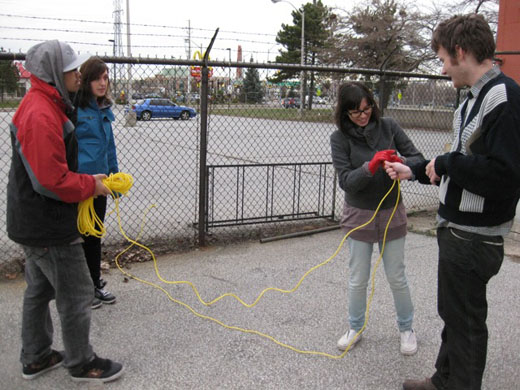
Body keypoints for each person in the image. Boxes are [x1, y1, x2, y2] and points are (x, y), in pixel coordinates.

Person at [385, 14, 520, 390]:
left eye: (444, 59)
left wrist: (447, 163)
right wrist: (416, 168)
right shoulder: (471, 103)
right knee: (455, 315)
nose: (443, 69)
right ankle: (444, 379)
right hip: (458, 230)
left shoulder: (503, 98)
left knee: (466, 323)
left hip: (474, 237)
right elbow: (462, 164)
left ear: (461, 52)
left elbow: (505, 175)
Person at [6, 40, 124, 383]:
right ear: (54, 73)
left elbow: (52, 172)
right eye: (71, 68)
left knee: (40, 290)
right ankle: (81, 362)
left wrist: (90, 179)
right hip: (49, 224)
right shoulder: (41, 112)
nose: (77, 74)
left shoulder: (45, 103)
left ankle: (36, 357)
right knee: (76, 293)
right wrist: (91, 186)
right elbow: (51, 180)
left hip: (32, 219)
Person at [330, 81, 425, 356]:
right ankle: (355, 327)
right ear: (344, 113)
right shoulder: (339, 138)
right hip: (358, 215)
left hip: (391, 212)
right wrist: (369, 166)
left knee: (397, 276)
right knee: (358, 278)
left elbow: (417, 157)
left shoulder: (390, 126)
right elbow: (346, 181)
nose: (363, 115)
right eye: (355, 112)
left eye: (367, 108)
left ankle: (407, 328)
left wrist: (402, 161)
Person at [74, 57, 119, 309]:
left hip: (101, 184)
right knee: (79, 236)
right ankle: (82, 289)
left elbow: (109, 148)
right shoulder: (76, 110)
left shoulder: (104, 110)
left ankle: (93, 282)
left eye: (105, 78)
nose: (103, 83)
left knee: (94, 235)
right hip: (81, 184)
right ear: (87, 80)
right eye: (97, 78)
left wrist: (114, 177)